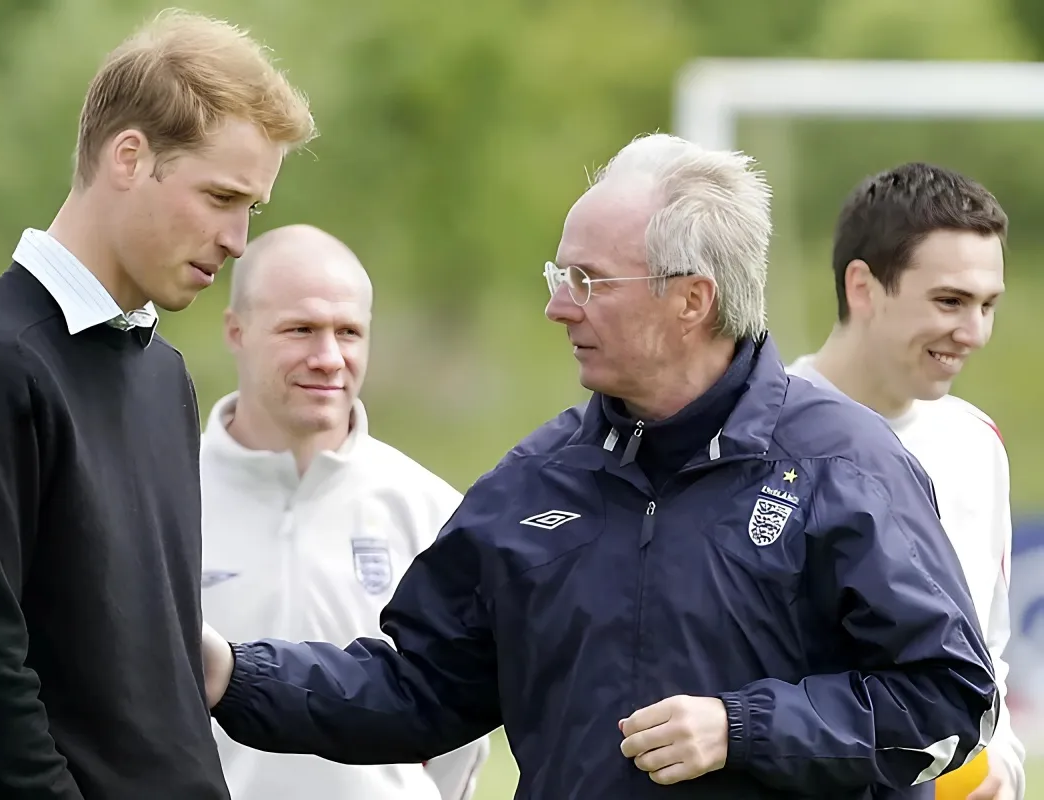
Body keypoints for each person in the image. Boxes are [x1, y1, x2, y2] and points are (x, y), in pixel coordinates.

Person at [199, 133, 999, 799]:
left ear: (691, 300)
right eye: (560, 277)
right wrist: (231, 676)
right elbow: (419, 689)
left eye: (587, 281)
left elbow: (948, 702)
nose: (557, 305)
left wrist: (742, 728)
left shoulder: (844, 465)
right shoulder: (536, 480)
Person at [0, 9, 314, 799]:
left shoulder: (163, 373)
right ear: (129, 156)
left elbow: (149, 677)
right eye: (221, 196)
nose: (237, 240)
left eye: (251, 207)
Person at [199, 223, 490, 800]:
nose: (328, 358)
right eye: (301, 329)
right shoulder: (165, 498)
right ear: (237, 331)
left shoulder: (433, 511)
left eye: (349, 332)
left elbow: (462, 722)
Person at [787, 162, 1023, 800]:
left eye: (987, 305)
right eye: (950, 301)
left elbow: (985, 662)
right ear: (863, 287)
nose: (972, 332)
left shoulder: (976, 444)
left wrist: (999, 766)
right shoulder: (754, 435)